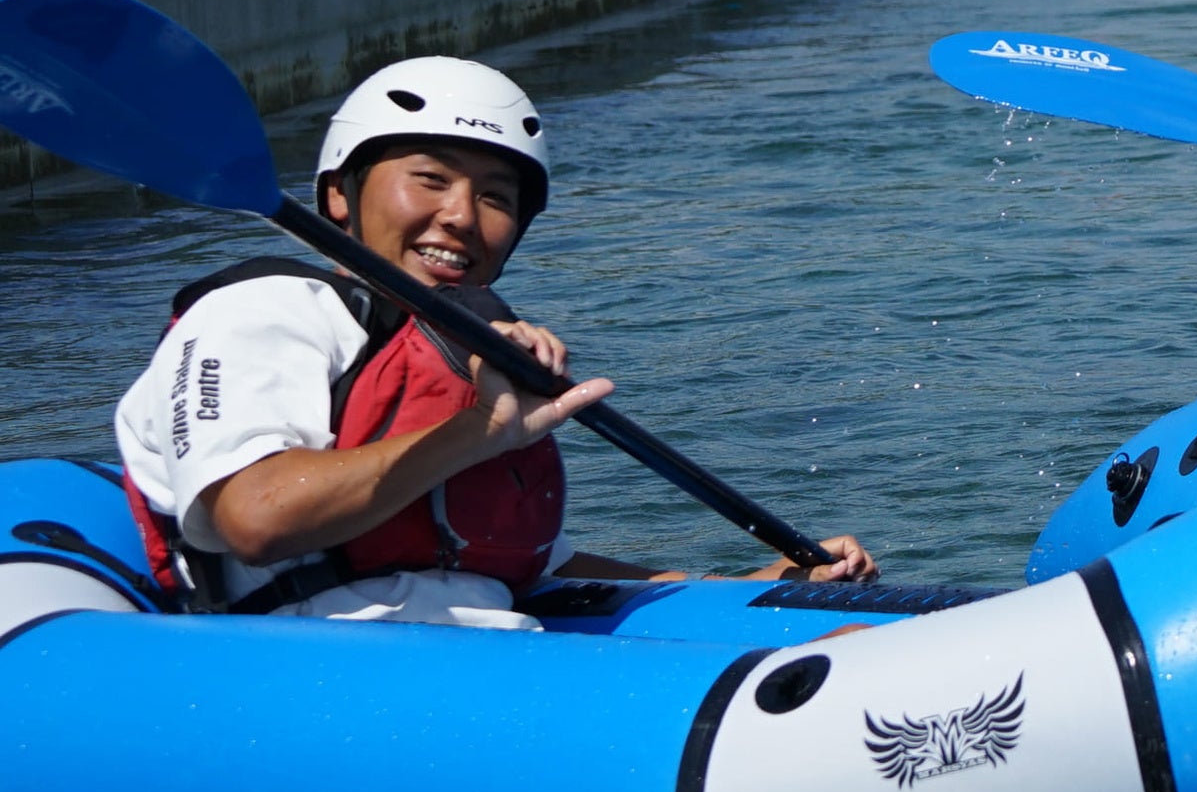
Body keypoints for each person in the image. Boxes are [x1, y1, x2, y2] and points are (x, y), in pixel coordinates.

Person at [114, 57, 876, 627]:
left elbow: (537, 565)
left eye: (495, 196)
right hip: (319, 676)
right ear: (339, 196)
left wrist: (748, 589)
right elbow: (255, 518)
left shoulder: (463, 354)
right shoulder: (265, 310)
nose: (461, 216)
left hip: (478, 659)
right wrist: (477, 432)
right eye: (430, 179)